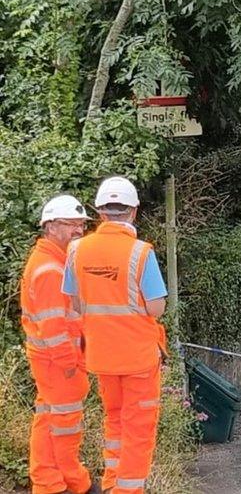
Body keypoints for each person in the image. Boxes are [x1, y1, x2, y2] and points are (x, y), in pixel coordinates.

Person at [62, 177, 168, 494]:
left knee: (115, 420)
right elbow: (157, 308)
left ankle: (112, 483)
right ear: (133, 212)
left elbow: (76, 301)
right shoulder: (140, 253)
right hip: (137, 359)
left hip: (101, 356)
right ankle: (128, 490)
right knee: (138, 428)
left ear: (99, 213)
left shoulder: (77, 250)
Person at [20, 195, 94, 494]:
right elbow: (54, 328)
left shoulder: (54, 263)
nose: (78, 230)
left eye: (81, 225)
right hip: (58, 362)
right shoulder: (51, 270)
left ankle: (48, 482)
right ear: (50, 227)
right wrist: (69, 364)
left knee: (48, 420)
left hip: (52, 360)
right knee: (64, 425)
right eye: (71, 224)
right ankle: (73, 482)